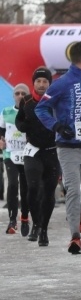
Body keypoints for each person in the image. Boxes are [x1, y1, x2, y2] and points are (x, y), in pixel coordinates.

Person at [35, 41, 81, 254]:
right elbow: (41, 109)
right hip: (67, 146)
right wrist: (57, 126)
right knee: (73, 190)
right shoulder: (61, 83)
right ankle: (74, 237)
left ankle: (80, 209)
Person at [16, 67, 58, 246]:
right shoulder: (26, 101)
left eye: (45, 81)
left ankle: (44, 230)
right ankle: (36, 224)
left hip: (51, 151)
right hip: (32, 151)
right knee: (32, 188)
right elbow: (19, 121)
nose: (41, 85)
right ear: (33, 83)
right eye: (38, 81)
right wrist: (23, 126)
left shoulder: (55, 101)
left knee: (49, 192)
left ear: (50, 84)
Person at [0, 83, 30, 235]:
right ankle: (12, 220)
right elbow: (1, 130)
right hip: (10, 154)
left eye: (23, 94)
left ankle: (24, 216)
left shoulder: (32, 112)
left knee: (25, 187)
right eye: (17, 93)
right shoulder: (6, 112)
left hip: (27, 155)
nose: (20, 96)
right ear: (13, 96)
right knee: (12, 184)